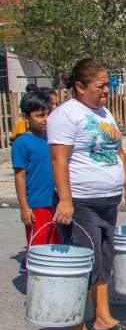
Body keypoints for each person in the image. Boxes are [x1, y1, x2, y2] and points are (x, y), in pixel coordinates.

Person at [49, 58, 126, 330]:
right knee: (84, 266)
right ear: (79, 86)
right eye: (101, 86)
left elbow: (119, 151)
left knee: (104, 260)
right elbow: (59, 159)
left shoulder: (103, 113)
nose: (106, 91)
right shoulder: (66, 115)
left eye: (107, 85)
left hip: (107, 200)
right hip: (81, 203)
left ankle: (102, 317)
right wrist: (65, 199)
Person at [12, 88, 61, 267]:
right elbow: (20, 177)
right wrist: (24, 207)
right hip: (37, 206)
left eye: (47, 114)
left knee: (57, 246)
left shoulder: (53, 138)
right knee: (39, 250)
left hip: (56, 202)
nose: (45, 119)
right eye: (40, 115)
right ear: (26, 118)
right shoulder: (22, 142)